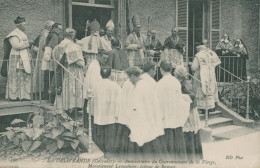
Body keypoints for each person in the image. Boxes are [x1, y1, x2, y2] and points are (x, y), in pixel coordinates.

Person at [125, 64, 166, 160]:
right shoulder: (145, 84)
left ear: (133, 76)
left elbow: (136, 107)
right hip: (149, 118)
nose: (129, 80)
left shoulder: (139, 87)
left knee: (143, 145)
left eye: (129, 78)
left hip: (142, 120)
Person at [157, 61, 188, 161]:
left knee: (167, 141)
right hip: (175, 113)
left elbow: (158, 101)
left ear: (161, 70)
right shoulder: (176, 81)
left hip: (166, 114)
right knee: (177, 140)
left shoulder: (160, 83)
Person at [50, 29, 84, 113]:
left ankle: (62, 107)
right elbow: (80, 63)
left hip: (60, 71)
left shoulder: (58, 46)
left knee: (62, 89)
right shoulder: (73, 46)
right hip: (72, 71)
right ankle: (72, 107)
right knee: (73, 88)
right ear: (73, 36)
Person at [174, 66, 203, 160]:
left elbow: (190, 96)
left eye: (175, 74)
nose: (174, 75)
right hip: (189, 110)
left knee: (188, 133)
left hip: (187, 112)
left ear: (178, 75)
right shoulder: (187, 82)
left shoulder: (181, 84)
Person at [91, 67, 122, 154]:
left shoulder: (95, 85)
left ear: (100, 74)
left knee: (99, 134)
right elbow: (119, 100)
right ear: (110, 75)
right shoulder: (115, 86)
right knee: (110, 135)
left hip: (99, 113)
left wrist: (92, 112)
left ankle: (101, 150)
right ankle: (110, 152)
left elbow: (92, 100)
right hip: (110, 114)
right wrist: (117, 113)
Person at [1, 17, 32, 101]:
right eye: (24, 25)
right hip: (16, 57)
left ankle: (24, 95)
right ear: (19, 25)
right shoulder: (13, 34)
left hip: (23, 57)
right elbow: (16, 46)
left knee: (24, 76)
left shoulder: (22, 34)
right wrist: (27, 43)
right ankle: (14, 96)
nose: (26, 26)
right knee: (16, 76)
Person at [191, 42, 221, 113]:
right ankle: (211, 107)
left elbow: (194, 67)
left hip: (200, 76)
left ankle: (203, 107)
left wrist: (191, 65)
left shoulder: (199, 55)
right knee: (210, 88)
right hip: (211, 75)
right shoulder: (211, 53)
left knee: (201, 89)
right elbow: (217, 64)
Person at [31, 20, 55, 97]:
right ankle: (43, 93)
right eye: (53, 27)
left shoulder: (43, 33)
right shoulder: (46, 34)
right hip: (44, 57)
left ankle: (41, 93)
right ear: (50, 27)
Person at [41, 23, 63, 100]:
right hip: (51, 60)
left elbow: (44, 47)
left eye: (61, 29)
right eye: (59, 29)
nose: (60, 31)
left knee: (47, 78)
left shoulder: (50, 35)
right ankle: (50, 97)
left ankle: (46, 96)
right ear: (54, 28)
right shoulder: (54, 36)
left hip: (48, 59)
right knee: (51, 78)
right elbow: (52, 48)